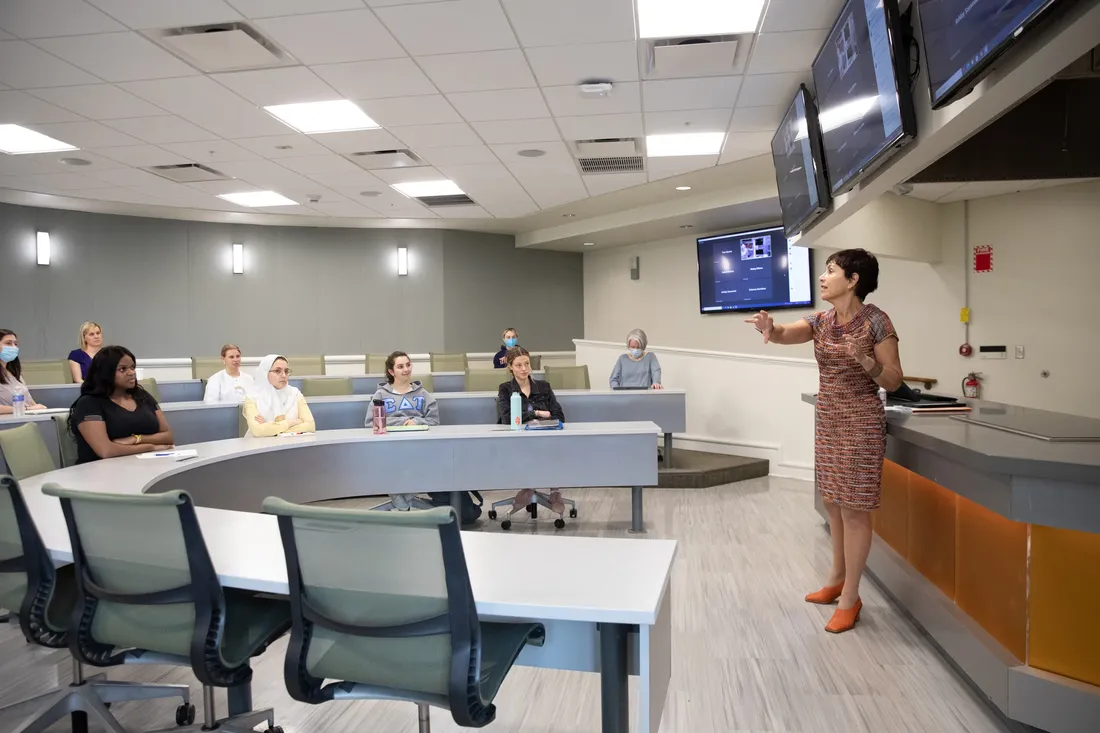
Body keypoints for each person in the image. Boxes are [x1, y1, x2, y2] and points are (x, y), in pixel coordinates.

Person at [745, 248, 902, 634]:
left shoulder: (876, 321)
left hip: (861, 422)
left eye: (830, 271)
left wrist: (866, 362)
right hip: (829, 418)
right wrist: (769, 328)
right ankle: (834, 579)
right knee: (832, 503)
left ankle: (851, 596)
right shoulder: (822, 320)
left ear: (853, 280)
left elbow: (894, 379)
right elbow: (784, 334)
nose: (822, 277)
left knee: (854, 510)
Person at [67, 345, 175, 464]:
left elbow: (168, 437)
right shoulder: (89, 403)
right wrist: (151, 447)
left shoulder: (142, 395)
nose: (131, 373)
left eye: (132, 367)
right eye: (122, 369)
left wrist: (136, 439)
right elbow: (106, 451)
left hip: (142, 466)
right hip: (100, 472)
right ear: (105, 373)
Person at [496, 346, 567, 514]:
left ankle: (554, 492)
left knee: (551, 447)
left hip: (545, 437)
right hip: (519, 439)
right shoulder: (505, 389)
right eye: (519, 365)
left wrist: (532, 417)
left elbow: (559, 415)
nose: (524, 369)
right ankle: (527, 487)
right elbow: (507, 418)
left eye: (527, 364)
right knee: (528, 450)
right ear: (511, 368)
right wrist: (536, 413)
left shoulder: (544, 387)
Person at [370, 351, 440, 511]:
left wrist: (417, 421)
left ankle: (402, 501)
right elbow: (370, 422)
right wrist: (402, 422)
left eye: (408, 365)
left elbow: (435, 421)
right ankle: (401, 501)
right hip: (389, 449)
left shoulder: (423, 394)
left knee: (433, 462)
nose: (406, 369)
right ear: (391, 371)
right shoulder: (380, 395)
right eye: (400, 366)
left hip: (420, 449)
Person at [242, 355, 315, 437]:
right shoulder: (252, 398)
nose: (283, 375)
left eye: (286, 371)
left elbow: (310, 425)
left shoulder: (295, 394)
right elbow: (258, 431)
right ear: (265, 373)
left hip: (291, 445)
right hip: (259, 447)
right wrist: (291, 422)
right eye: (277, 371)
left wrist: (269, 427)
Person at [0, 329, 46, 414]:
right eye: (8, 343)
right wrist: (26, 409)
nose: (14, 347)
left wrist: (40, 409)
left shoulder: (15, 374)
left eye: (15, 344)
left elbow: (30, 402)